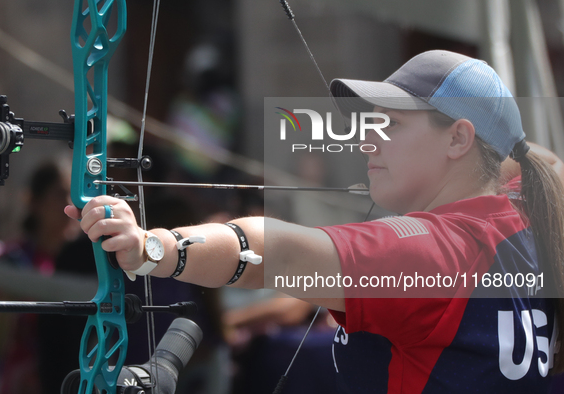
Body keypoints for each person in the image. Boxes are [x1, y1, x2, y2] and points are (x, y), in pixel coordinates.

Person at [65, 50, 564, 393]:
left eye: (391, 122)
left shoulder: (430, 251)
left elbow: (273, 254)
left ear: (458, 139)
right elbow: (530, 158)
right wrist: (506, 139)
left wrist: (153, 246)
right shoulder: (528, 220)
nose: (368, 139)